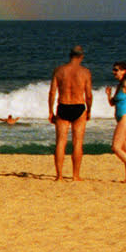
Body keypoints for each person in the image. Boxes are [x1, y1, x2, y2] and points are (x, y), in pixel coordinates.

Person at [47, 45, 92, 181]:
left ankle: (59, 176)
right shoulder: (85, 72)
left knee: (61, 142)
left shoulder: (59, 70)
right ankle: (75, 176)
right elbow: (89, 95)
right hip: (79, 106)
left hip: (63, 106)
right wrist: (89, 110)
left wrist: (50, 111)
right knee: (77, 143)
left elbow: (52, 92)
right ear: (81, 56)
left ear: (70, 55)